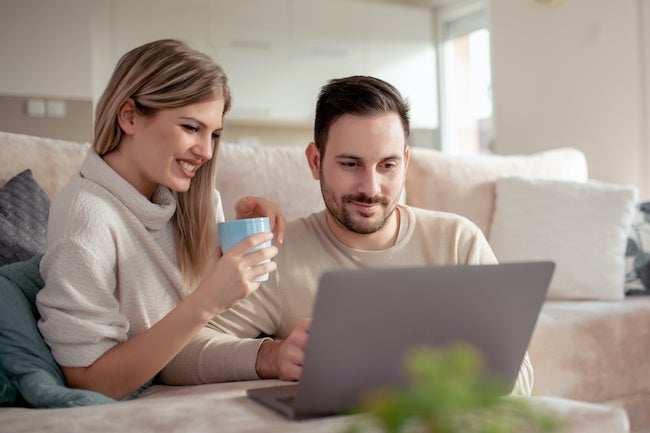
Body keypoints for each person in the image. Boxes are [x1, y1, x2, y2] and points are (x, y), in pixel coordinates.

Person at [161, 75, 534, 396]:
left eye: (387, 165)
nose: (370, 188)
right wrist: (272, 356)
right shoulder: (280, 252)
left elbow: (519, 376)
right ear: (315, 162)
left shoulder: (458, 240)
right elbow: (178, 357)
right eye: (351, 164)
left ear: (405, 163)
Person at [35, 39, 284, 400]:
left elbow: (215, 326)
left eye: (213, 134)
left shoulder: (190, 200)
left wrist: (240, 232)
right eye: (190, 127)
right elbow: (89, 381)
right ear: (130, 116)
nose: (206, 151)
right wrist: (207, 300)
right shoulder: (86, 217)